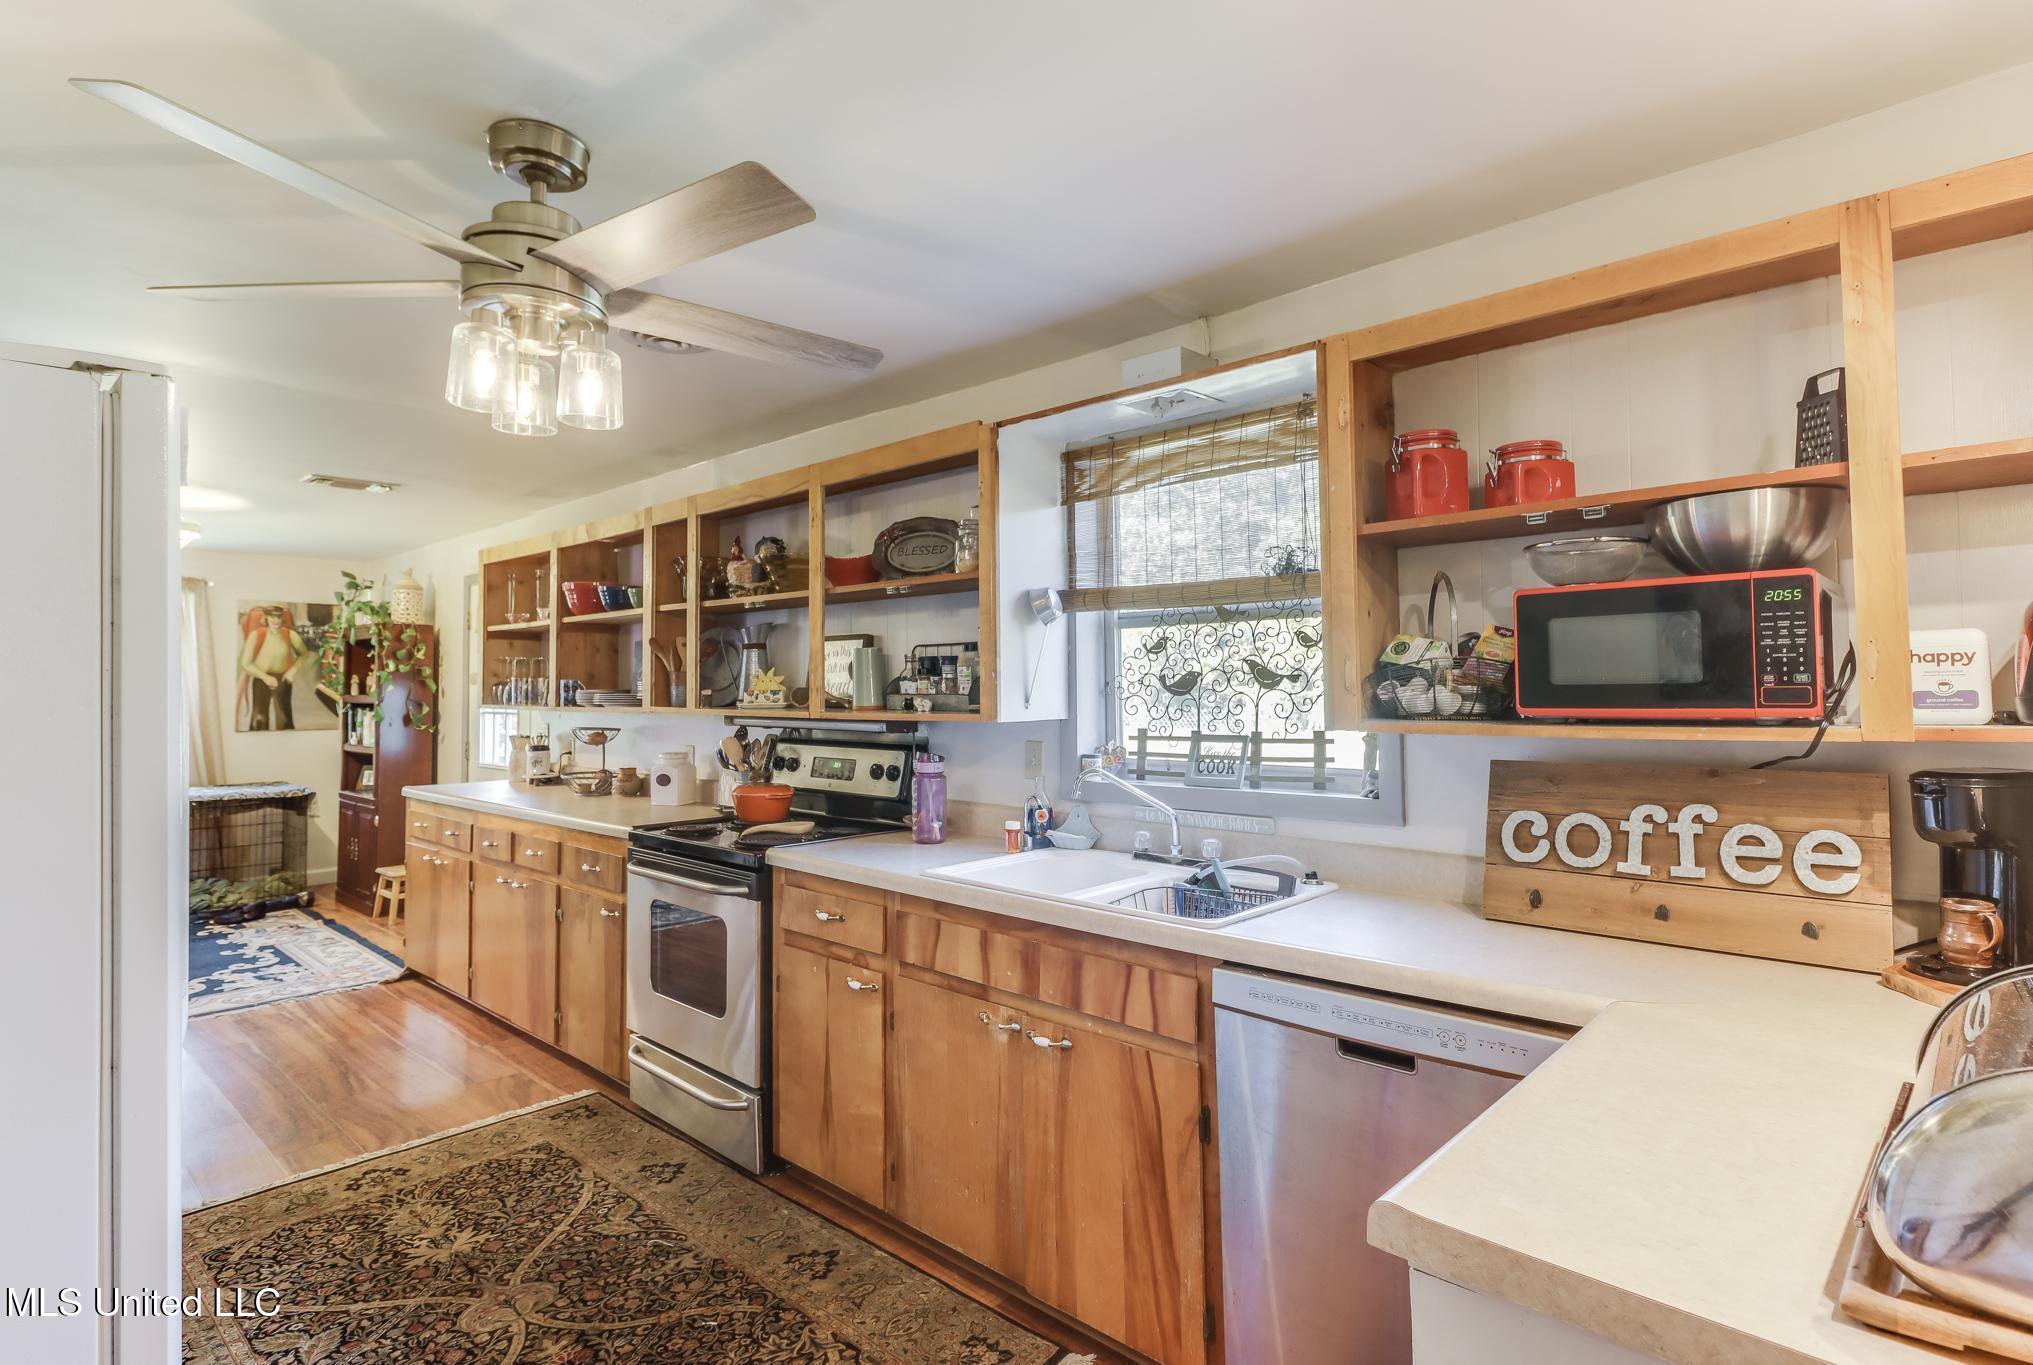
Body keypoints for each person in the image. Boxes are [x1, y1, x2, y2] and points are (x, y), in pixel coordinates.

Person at [238, 604, 312, 730]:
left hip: (283, 679)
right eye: (271, 617)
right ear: (265, 618)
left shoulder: (290, 634)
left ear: (282, 618)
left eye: (278, 617)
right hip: (261, 679)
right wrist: (265, 677)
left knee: (284, 719)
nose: (275, 620)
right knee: (259, 719)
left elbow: (304, 654)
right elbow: (246, 663)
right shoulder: (256, 635)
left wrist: (292, 671)